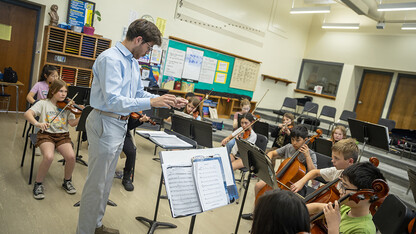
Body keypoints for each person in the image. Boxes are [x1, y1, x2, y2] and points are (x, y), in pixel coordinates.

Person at [77, 19, 187, 234]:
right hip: (105, 121)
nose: (148, 52)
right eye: (149, 47)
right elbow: (113, 100)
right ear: (138, 40)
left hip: (119, 124)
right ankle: (84, 231)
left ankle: (96, 226)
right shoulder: (111, 59)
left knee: (106, 182)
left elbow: (137, 94)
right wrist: (150, 103)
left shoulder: (131, 62)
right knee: (95, 186)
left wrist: (164, 98)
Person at [242, 125, 317, 220]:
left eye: (297, 140)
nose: (294, 143)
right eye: (292, 139)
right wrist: (268, 158)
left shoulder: (311, 154)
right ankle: (256, 213)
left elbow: (313, 174)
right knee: (258, 186)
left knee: (276, 198)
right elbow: (273, 153)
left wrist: (307, 156)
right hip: (281, 179)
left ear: (305, 140)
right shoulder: (289, 147)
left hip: (297, 186)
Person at [24, 79, 80, 200]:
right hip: (46, 135)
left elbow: (72, 123)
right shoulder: (43, 103)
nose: (64, 94)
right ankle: (38, 183)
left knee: (71, 157)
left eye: (65, 91)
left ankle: (67, 181)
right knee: (49, 156)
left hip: (62, 135)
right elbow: (27, 114)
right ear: (53, 91)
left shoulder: (67, 106)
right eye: (61, 91)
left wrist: (82, 116)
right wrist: (38, 124)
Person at [307, 162, 386, 234]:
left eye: (345, 187)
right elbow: (317, 207)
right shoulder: (346, 206)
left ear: (364, 195)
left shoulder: (363, 230)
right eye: (341, 185)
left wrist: (333, 226)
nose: (340, 190)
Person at [290, 138, 359, 193]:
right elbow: (315, 172)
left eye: (336, 158)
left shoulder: (355, 182)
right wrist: (301, 181)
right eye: (333, 157)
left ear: (350, 161)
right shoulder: (337, 171)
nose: (332, 160)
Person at [120, 114, 150, 191]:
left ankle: (126, 178)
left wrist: (140, 120)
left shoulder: (130, 111)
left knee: (132, 152)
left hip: (123, 134)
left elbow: (130, 126)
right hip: (109, 132)